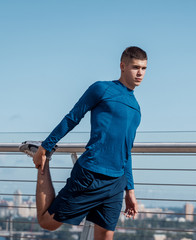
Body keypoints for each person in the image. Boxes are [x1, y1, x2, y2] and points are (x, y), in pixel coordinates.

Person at [20, 46, 147, 240]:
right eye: (135, 67)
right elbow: (72, 118)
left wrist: (130, 190)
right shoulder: (102, 89)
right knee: (47, 222)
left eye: (144, 68)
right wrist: (46, 146)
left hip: (116, 184)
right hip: (90, 175)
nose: (140, 73)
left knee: (104, 237)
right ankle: (43, 158)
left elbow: (126, 151)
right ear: (122, 66)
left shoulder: (136, 108)